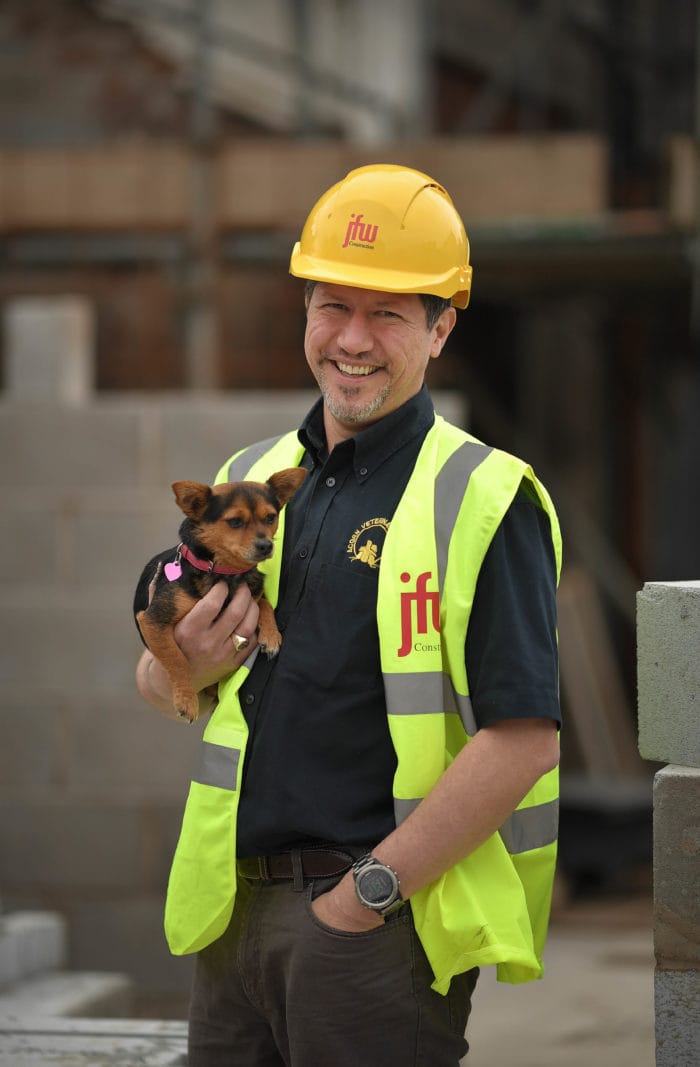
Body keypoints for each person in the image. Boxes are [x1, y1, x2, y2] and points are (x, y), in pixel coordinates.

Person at [135, 163, 562, 1066]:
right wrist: (186, 665)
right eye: (332, 306)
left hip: (372, 927)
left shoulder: (483, 495)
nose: (352, 339)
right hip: (230, 917)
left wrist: (367, 893)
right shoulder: (254, 477)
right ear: (303, 313)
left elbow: (524, 738)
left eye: (389, 314)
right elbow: (162, 672)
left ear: (442, 329)